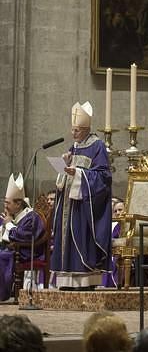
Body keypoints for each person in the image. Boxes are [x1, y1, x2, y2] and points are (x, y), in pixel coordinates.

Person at [50, 101, 112, 289]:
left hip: (84, 205)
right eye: (72, 129)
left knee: (80, 239)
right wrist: (64, 165)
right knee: (65, 240)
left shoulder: (97, 146)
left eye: (76, 130)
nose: (73, 133)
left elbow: (103, 177)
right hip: (68, 202)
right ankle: (66, 280)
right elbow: (67, 172)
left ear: (86, 129)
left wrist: (78, 173)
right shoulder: (74, 147)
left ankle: (85, 281)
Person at [0, 173, 46, 300]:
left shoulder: (31, 217)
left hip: (28, 252)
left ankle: (2, 294)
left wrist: (8, 224)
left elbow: (23, 237)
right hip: (16, 250)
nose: (5, 206)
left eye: (8, 203)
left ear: (18, 203)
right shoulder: (14, 215)